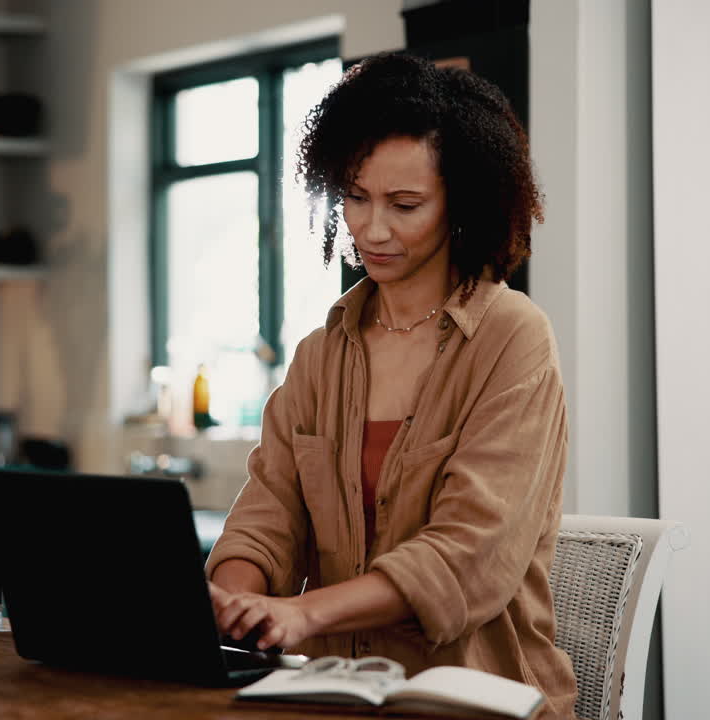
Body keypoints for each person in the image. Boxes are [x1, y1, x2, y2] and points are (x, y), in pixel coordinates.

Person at [205, 52, 577, 718]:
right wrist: (239, 599)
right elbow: (266, 520)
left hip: (476, 699)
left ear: (458, 203)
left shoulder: (512, 338)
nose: (372, 229)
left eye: (405, 205)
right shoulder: (322, 354)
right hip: (337, 696)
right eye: (355, 197)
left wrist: (301, 614)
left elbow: (467, 557)